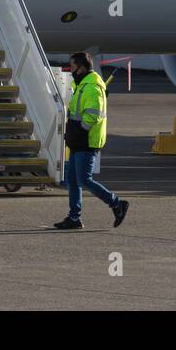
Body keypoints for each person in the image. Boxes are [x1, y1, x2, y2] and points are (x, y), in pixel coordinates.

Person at [53, 51, 128, 230]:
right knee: (73, 181)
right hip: (77, 141)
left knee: (84, 180)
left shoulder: (92, 87)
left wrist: (79, 132)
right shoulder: (82, 85)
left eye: (72, 67)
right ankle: (74, 218)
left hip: (86, 141)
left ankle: (117, 203)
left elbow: (92, 116)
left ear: (82, 68)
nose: (70, 70)